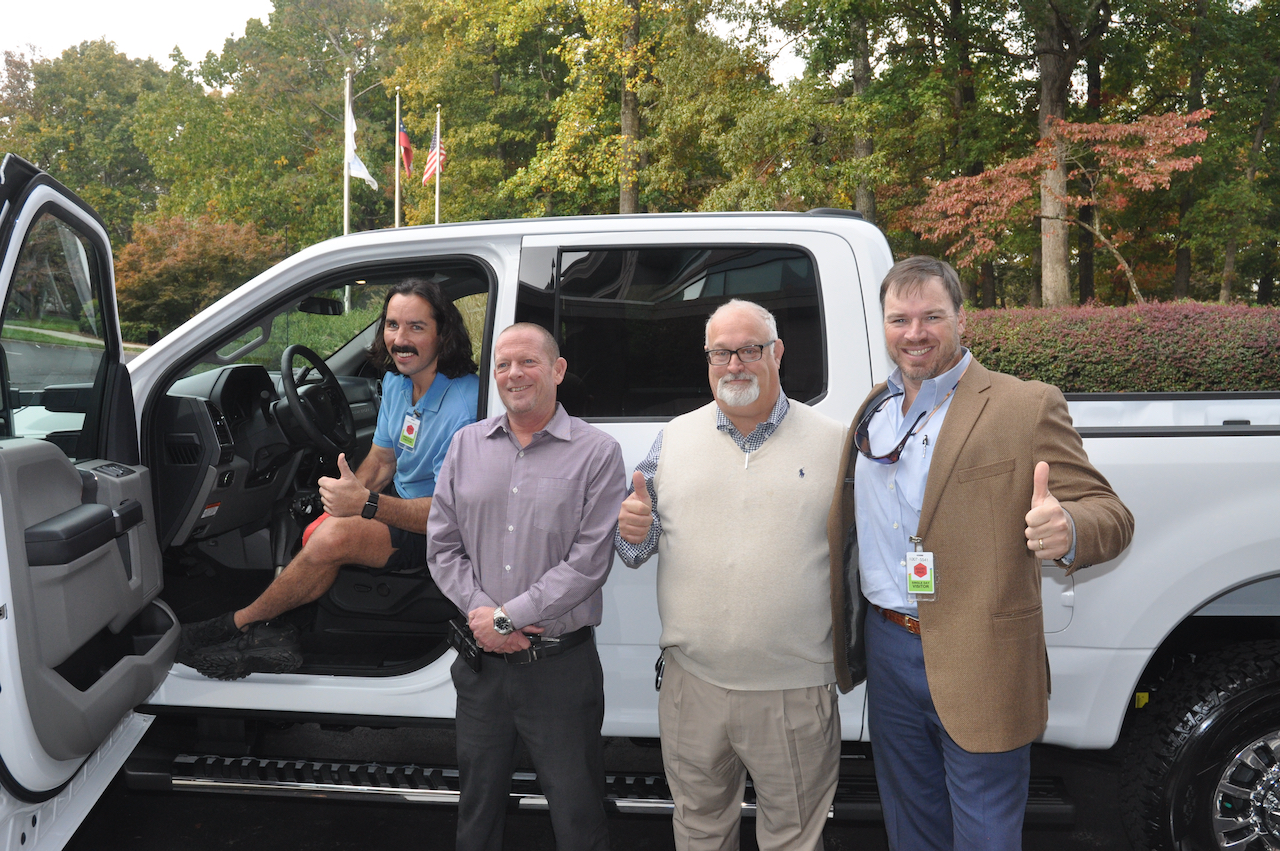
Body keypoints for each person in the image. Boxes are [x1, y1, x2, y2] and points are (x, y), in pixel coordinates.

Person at [833, 255, 1134, 850]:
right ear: (884, 324)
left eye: (931, 316)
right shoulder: (874, 409)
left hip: (983, 653)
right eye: (899, 319)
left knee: (987, 834)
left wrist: (1068, 527)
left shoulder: (1024, 405)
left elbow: (1111, 514)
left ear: (962, 319)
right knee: (910, 827)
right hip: (889, 647)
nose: (915, 332)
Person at [615, 299, 853, 851]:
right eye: (721, 352)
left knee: (793, 839)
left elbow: (863, 556)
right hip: (691, 688)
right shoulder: (672, 438)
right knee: (699, 833)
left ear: (778, 353)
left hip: (793, 691)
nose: (735, 364)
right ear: (707, 360)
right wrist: (632, 531)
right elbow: (635, 552)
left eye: (750, 349)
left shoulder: (837, 443)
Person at [178, 277, 481, 679]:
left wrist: (364, 506)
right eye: (392, 325)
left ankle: (239, 623)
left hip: (434, 525)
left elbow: (448, 516)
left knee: (333, 537)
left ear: (444, 334)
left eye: (416, 327)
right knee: (317, 520)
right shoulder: (396, 382)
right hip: (401, 499)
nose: (400, 339)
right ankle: (279, 629)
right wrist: (345, 499)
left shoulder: (465, 406)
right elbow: (381, 461)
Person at [427, 322, 626, 851]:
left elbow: (589, 563)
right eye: (502, 365)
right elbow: (442, 546)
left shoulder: (598, 452)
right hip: (482, 673)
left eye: (529, 362)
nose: (514, 374)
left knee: (579, 817)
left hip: (559, 672)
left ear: (558, 370)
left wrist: (506, 617)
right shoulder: (465, 445)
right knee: (476, 816)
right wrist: (485, 616)